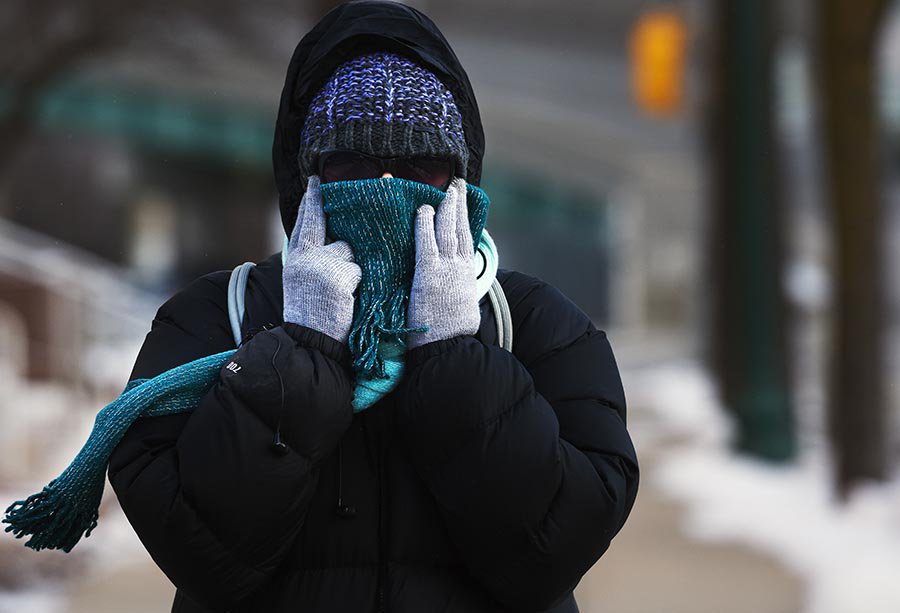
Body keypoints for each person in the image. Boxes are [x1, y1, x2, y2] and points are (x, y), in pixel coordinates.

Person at [107, 2, 640, 612]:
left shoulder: (538, 324)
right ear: (307, 179)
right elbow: (201, 554)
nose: (385, 187)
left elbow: (552, 553)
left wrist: (453, 359)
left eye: (420, 166)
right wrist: (302, 353)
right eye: (352, 164)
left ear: (461, 181)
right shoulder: (217, 315)